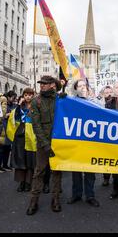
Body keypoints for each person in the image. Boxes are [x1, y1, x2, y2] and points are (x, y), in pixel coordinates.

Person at [27, 75, 63, 215]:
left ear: (52, 85)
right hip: (43, 143)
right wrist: (45, 144)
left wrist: (65, 97)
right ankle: (33, 201)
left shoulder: (60, 100)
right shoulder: (36, 101)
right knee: (39, 172)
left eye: (45, 83)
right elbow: (36, 126)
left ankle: (56, 199)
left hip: (59, 141)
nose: (41, 85)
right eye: (41, 83)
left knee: (56, 171)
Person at [67, 79, 100, 207]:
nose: (82, 87)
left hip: (91, 141)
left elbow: (102, 113)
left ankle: (90, 195)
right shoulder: (72, 101)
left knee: (90, 170)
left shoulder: (95, 101)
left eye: (84, 85)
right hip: (77, 141)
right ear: (76, 89)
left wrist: (92, 98)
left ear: (87, 87)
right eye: (79, 86)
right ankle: (77, 194)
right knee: (76, 169)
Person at [9, 88, 36, 193]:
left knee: (30, 161)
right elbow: (14, 119)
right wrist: (18, 106)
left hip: (31, 137)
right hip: (20, 137)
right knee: (20, 159)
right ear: (23, 96)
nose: (28, 97)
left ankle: (28, 183)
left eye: (30, 95)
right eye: (26, 95)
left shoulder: (35, 106)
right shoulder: (19, 107)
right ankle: (21, 182)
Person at [0, 90, 17, 173]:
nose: (14, 99)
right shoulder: (2, 104)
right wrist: (6, 115)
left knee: (8, 148)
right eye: (13, 98)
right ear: (8, 97)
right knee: (1, 148)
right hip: (3, 127)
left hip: (11, 128)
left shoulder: (14, 105)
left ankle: (5, 165)